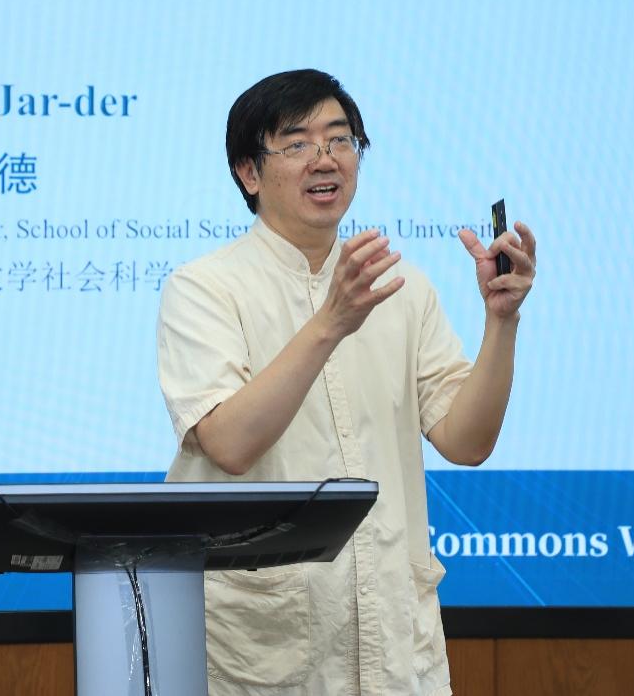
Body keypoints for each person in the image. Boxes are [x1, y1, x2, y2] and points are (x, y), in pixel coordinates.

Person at [157, 70, 536, 695]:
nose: (325, 158)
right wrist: (331, 322)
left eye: (340, 139)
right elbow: (229, 443)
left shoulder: (402, 287)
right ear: (249, 173)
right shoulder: (204, 288)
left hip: (394, 647)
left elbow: (466, 442)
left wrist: (502, 322)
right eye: (297, 143)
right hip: (266, 656)